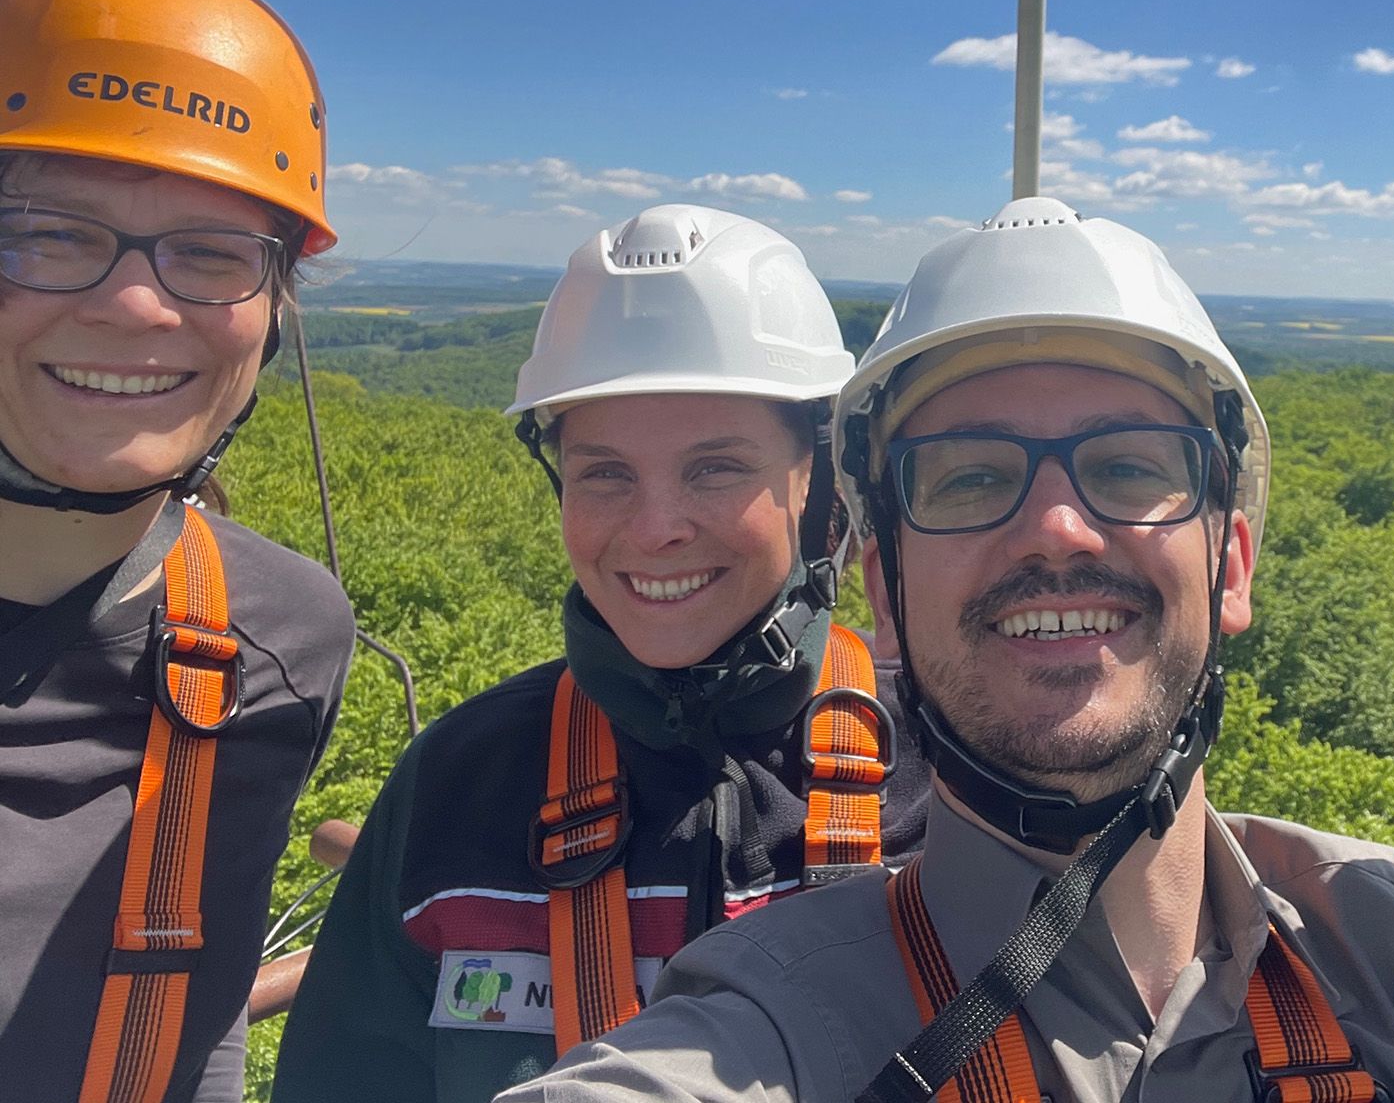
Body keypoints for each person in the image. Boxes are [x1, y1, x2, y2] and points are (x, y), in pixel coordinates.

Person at [501, 196, 1394, 1103]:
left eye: (1125, 466)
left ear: (1232, 565)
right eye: (968, 476)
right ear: (883, 590)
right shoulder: (776, 1020)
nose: (1057, 526)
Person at [274, 204, 930, 1102]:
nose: (657, 529)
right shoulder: (458, 788)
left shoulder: (940, 782)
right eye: (605, 472)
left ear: (816, 479)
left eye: (716, 467)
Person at [0, 0, 355, 1102]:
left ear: (270, 312)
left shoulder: (280, 636)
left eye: (210, 252)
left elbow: (186, 1009)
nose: (137, 300)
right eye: (51, 228)